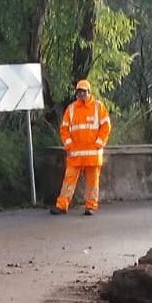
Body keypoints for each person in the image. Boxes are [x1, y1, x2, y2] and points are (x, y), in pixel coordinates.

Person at [50, 78, 111, 216]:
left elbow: (106, 126)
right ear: (76, 93)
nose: (81, 94)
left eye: (84, 92)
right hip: (75, 154)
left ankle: (90, 206)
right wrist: (69, 145)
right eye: (79, 92)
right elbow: (64, 129)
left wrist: (100, 143)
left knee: (92, 183)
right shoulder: (71, 109)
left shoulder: (98, 107)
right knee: (68, 181)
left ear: (89, 92)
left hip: (92, 154)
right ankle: (61, 206)